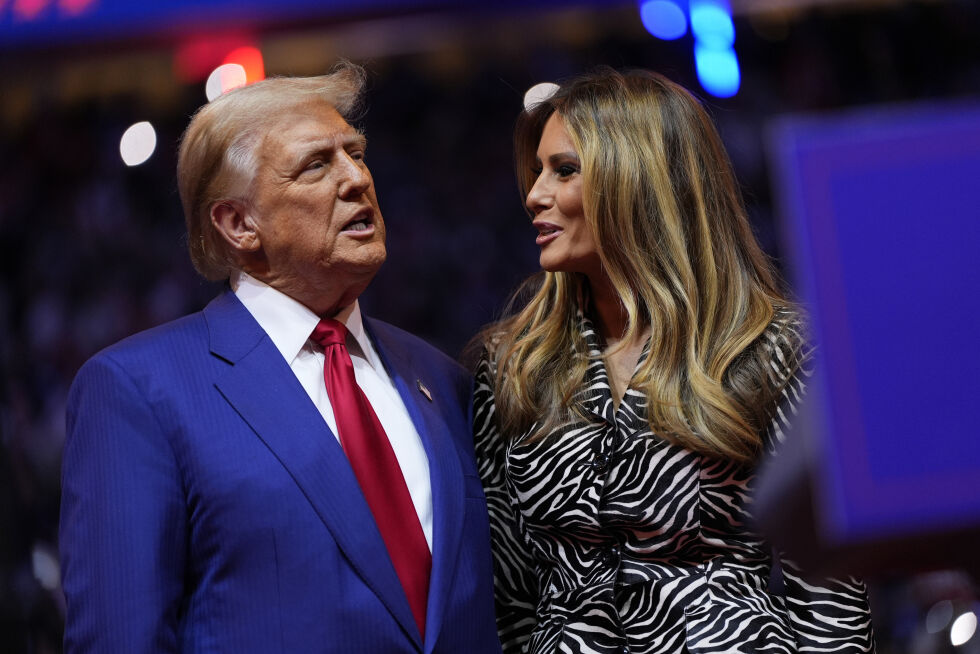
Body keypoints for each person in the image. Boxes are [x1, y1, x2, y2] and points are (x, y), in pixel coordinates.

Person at [60, 62, 501, 654]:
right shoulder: (139, 390)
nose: (357, 179)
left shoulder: (442, 379)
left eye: (357, 154)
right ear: (240, 224)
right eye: (317, 165)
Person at [473, 68, 875, 653]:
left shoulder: (776, 347)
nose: (534, 194)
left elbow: (830, 602)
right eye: (537, 171)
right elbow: (508, 597)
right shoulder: (512, 366)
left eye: (564, 170)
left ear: (636, 179)